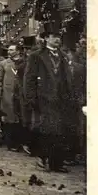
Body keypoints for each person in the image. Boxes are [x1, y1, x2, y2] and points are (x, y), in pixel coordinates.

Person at [24, 31, 74, 172]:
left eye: (59, 37)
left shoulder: (63, 56)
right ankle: (43, 158)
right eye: (54, 36)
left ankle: (56, 162)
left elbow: (67, 78)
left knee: (59, 131)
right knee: (46, 130)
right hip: (43, 98)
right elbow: (29, 79)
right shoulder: (36, 56)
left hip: (60, 99)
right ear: (46, 38)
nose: (57, 39)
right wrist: (31, 98)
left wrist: (69, 96)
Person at [0, 43, 26, 152]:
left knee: (21, 119)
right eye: (8, 50)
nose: (9, 52)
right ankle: (11, 143)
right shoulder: (4, 64)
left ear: (18, 51)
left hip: (21, 95)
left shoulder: (25, 62)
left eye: (11, 50)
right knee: (9, 119)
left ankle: (21, 142)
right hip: (8, 96)